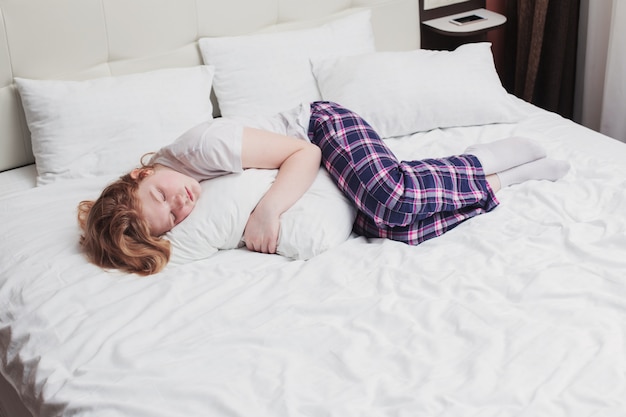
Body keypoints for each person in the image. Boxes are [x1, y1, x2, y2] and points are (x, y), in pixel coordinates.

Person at [78, 101, 569, 275]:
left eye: (161, 194)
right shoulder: (170, 191)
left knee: (389, 198)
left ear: (141, 174)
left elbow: (304, 154)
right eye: (173, 217)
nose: (181, 202)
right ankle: (500, 180)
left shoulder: (206, 147)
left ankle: (502, 153)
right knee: (387, 227)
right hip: (314, 152)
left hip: (319, 126)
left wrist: (268, 211)